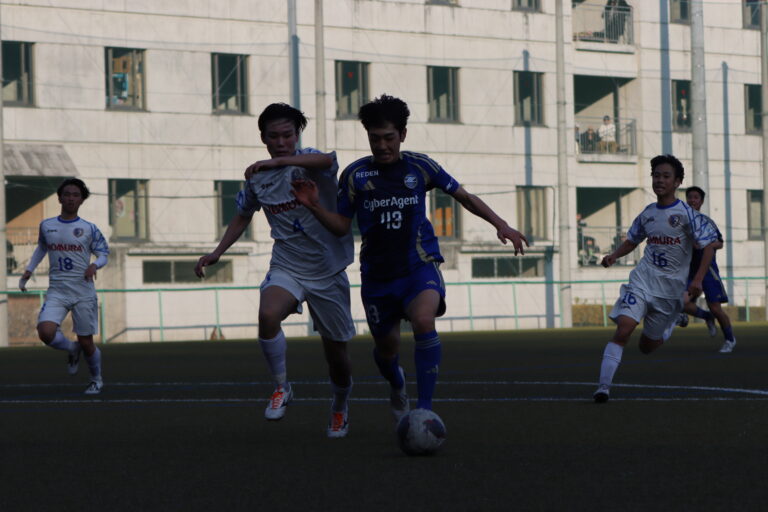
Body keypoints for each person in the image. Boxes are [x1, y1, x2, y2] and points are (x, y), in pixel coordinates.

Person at [291, 94, 528, 422]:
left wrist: (501, 224)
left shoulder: (421, 166)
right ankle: (397, 383)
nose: (382, 145)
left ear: (402, 134)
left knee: (424, 321)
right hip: (377, 277)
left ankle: (425, 411)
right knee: (386, 351)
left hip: (419, 265)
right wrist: (314, 206)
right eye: (375, 138)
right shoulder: (355, 175)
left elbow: (464, 196)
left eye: (389, 137)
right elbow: (341, 226)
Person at [194, 103, 355, 438]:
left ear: (297, 136)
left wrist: (281, 162)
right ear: (263, 138)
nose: (281, 142)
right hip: (287, 265)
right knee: (268, 315)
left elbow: (328, 161)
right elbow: (242, 216)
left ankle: (339, 407)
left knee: (337, 354)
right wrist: (217, 252)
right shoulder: (258, 178)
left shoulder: (309, 162)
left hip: (327, 270)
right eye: (274, 136)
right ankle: (282, 386)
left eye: (287, 135)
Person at [593, 155, 718, 403]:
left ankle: (671, 324)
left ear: (677, 182)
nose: (659, 180)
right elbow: (633, 240)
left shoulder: (688, 215)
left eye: (666, 176)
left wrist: (698, 280)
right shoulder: (648, 213)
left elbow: (709, 247)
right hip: (642, 281)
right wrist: (614, 256)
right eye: (656, 175)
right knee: (624, 329)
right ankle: (603, 388)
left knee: (646, 347)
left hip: (669, 291)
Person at [19, 178, 109, 394]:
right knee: (45, 332)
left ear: (82, 200)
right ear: (59, 198)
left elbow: (104, 254)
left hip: (83, 291)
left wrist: (94, 265)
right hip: (57, 290)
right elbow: (42, 248)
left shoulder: (89, 228)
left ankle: (96, 380)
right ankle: (72, 349)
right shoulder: (47, 225)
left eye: (76, 195)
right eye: (67, 194)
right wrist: (29, 270)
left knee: (87, 342)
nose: (71, 198)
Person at [667, 186, 736, 353]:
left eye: (696, 197)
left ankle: (730, 339)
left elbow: (719, 243)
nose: (692, 200)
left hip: (708, 270)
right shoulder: (680, 223)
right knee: (681, 301)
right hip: (689, 271)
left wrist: (706, 244)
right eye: (689, 197)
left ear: (701, 201)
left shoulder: (706, 222)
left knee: (715, 307)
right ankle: (706, 317)